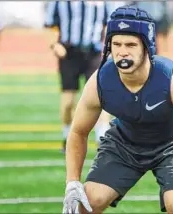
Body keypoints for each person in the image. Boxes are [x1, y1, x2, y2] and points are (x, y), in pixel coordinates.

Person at [61, 6, 173, 214]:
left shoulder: (172, 79)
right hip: (124, 143)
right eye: (116, 44)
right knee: (88, 203)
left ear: (147, 46)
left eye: (130, 44)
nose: (122, 51)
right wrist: (72, 182)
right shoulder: (100, 81)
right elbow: (78, 131)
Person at [44, 1, 112, 152]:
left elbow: (109, 24)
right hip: (69, 54)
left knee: (100, 97)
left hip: (94, 53)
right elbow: (50, 24)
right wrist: (55, 45)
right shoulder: (59, 3)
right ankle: (67, 137)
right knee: (68, 101)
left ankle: (102, 139)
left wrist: (108, 47)